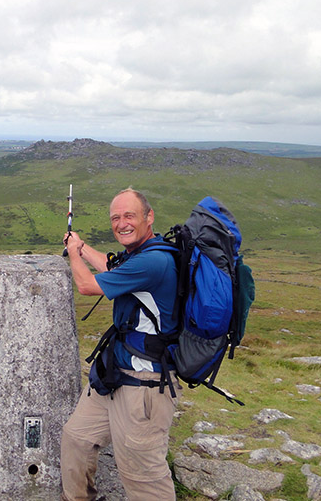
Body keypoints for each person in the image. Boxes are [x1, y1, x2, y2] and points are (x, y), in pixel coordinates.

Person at [60, 188, 181, 501]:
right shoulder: (142, 256)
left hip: (143, 387)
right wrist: (82, 247)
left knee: (143, 476)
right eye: (116, 217)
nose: (121, 223)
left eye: (130, 216)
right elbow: (113, 269)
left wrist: (72, 255)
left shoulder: (153, 262)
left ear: (149, 217)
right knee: (77, 438)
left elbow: (87, 286)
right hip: (116, 374)